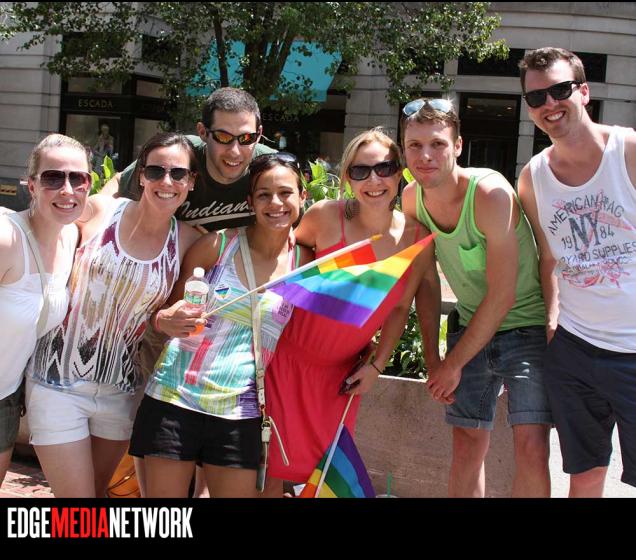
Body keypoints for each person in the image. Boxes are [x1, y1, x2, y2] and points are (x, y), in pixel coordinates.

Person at [24, 132, 201, 497]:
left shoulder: (188, 240)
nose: (166, 181)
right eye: (156, 171)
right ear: (141, 176)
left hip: (120, 392)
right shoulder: (101, 210)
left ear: (191, 181)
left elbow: (168, 312)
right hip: (56, 382)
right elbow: (42, 217)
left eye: (178, 173)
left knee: (96, 496)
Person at [262, 128, 435, 495]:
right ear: (346, 178)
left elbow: (400, 308)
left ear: (399, 172)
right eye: (360, 171)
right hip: (284, 364)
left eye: (384, 168)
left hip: (341, 377)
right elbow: (282, 263)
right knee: (270, 471)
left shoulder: (416, 238)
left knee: (326, 477)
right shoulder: (325, 216)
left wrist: (376, 366)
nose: (374, 180)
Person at [129, 152, 312, 498]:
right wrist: (167, 319)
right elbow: (164, 312)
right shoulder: (216, 246)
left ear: (303, 197)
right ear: (250, 202)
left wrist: (371, 354)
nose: (275, 203)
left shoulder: (306, 263)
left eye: (286, 193)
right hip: (174, 398)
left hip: (241, 413)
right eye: (264, 194)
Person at [401, 98, 552, 498]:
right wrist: (434, 360)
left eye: (437, 144)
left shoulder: (490, 193)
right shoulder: (411, 199)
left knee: (531, 447)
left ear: (458, 145)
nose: (425, 155)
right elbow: (425, 282)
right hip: (469, 327)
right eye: (415, 145)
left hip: (527, 327)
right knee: (467, 444)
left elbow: (503, 295)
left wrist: (453, 364)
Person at [517, 48, 636, 497]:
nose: (549, 103)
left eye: (560, 89)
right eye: (536, 97)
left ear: (583, 91)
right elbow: (548, 257)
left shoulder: (628, 150)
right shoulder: (533, 178)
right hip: (575, 351)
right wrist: (552, 318)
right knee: (583, 475)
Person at [0, 134, 89, 487]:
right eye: (53, 178)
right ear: (32, 185)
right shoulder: (7, 238)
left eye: (78, 178)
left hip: (7, 396)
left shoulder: (71, 237)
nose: (67, 190)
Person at [102, 87, 275, 232]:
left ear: (259, 134)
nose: (235, 151)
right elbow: (119, 182)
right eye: (223, 137)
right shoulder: (179, 154)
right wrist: (98, 228)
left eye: (246, 138)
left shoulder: (271, 167)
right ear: (202, 132)